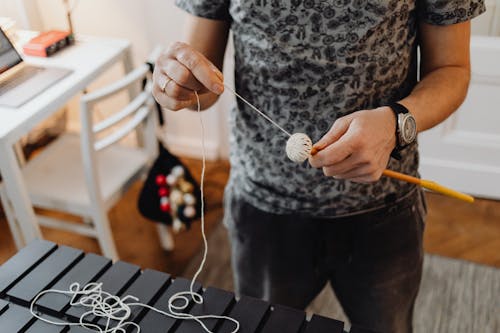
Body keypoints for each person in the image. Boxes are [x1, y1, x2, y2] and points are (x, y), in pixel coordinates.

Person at [152, 1, 485, 332]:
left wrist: (396, 125)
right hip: (264, 206)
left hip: (384, 207)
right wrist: (179, 82)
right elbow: (202, 82)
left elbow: (451, 69)